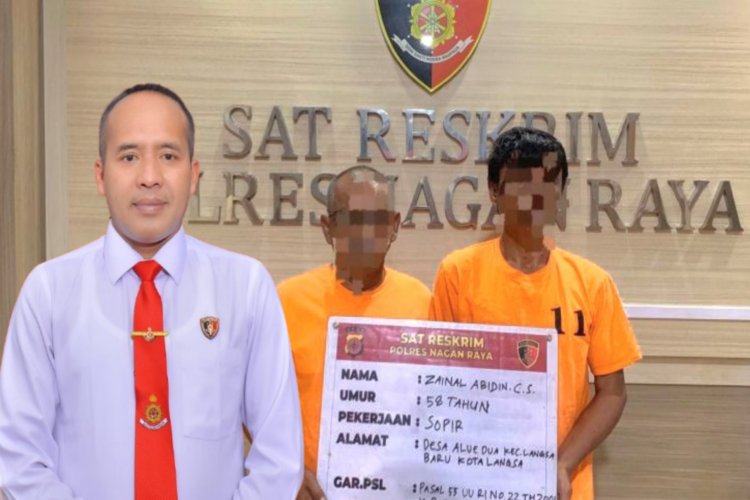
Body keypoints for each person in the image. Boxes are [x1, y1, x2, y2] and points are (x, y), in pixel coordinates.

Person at [0, 83, 303, 499]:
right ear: (100, 175)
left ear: (193, 175)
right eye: (129, 157)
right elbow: (19, 457)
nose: (149, 177)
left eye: (168, 156)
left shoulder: (246, 286)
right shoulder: (48, 292)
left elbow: (279, 457)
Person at [429, 127, 641, 500]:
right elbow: (438, 383)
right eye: (521, 181)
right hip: (477, 482)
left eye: (548, 182)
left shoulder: (592, 282)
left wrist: (561, 464)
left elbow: (612, 393)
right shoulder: (458, 273)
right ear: (495, 191)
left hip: (564, 487)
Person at [277, 165, 431, 500]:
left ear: (394, 226)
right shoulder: (285, 302)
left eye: (377, 219)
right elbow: (251, 403)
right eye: (352, 219)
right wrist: (288, 468)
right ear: (328, 228)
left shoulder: (422, 303)